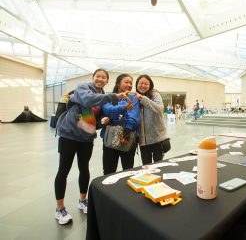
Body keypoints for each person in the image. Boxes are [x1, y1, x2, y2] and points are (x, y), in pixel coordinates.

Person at [54, 69, 127, 225]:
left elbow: (96, 117)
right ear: (93, 78)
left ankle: (82, 200)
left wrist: (103, 120)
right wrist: (113, 96)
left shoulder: (104, 96)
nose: (100, 79)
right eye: (98, 76)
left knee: (84, 168)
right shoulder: (83, 87)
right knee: (63, 170)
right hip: (69, 135)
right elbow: (88, 100)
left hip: (86, 138)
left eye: (103, 78)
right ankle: (59, 208)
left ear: (107, 81)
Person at [100, 73, 140, 175]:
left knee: (128, 170)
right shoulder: (108, 97)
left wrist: (126, 130)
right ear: (118, 84)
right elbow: (108, 110)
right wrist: (124, 108)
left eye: (131, 83)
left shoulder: (133, 97)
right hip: (110, 136)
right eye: (126, 82)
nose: (129, 85)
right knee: (108, 170)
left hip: (128, 137)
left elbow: (133, 116)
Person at [134, 74, 169, 165]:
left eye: (146, 84)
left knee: (158, 166)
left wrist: (143, 99)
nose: (143, 86)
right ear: (137, 85)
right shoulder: (134, 97)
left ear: (150, 85)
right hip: (143, 141)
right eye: (141, 83)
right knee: (146, 167)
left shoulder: (155, 95)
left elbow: (160, 109)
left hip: (157, 139)